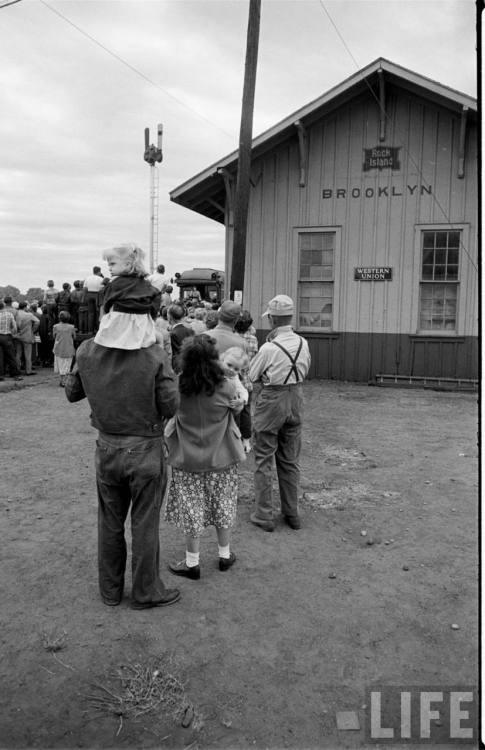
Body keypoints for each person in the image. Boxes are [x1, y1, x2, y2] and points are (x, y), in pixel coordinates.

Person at [65, 243, 180, 610]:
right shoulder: (153, 356)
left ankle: (110, 590)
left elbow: (72, 394)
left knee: (109, 522)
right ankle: (146, 591)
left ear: (108, 311)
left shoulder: (86, 352)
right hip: (145, 449)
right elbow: (171, 405)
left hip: (107, 449)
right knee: (144, 525)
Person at [164, 335, 246, 579]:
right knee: (223, 504)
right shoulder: (227, 386)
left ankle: (192, 563)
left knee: (191, 509)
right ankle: (224, 555)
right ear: (213, 359)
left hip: (186, 458)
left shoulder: (177, 387)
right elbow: (239, 402)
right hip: (222, 457)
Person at [249, 295, 311, 533]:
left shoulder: (269, 347)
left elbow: (253, 376)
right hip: (296, 397)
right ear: (291, 317)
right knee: (290, 459)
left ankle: (264, 514)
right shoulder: (303, 343)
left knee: (264, 457)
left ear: (273, 318)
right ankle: (291, 512)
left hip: (272, 399)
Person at [234, 310, 259, 454]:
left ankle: (235, 441)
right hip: (247, 380)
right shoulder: (253, 339)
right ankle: (246, 441)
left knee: (234, 413)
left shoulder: (232, 337)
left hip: (234, 380)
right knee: (246, 412)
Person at [14, 301, 39, 376]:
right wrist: (33, 330)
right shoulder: (29, 315)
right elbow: (37, 321)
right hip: (27, 336)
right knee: (28, 355)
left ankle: (17, 369)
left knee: (18, 354)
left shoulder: (16, 314)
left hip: (18, 336)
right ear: (25, 307)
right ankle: (28, 370)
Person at [0, 301, 22, 381]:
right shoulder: (9, 314)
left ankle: (1, 375)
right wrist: (13, 333)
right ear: (4, 306)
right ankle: (15, 374)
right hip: (7, 336)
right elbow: (15, 327)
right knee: (11, 356)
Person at [52, 311, 76, 386]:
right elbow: (74, 337)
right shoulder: (72, 327)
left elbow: (54, 336)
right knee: (67, 365)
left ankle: (62, 380)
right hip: (68, 347)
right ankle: (65, 381)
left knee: (60, 364)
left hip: (59, 348)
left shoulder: (55, 327)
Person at [167, 303, 193, 373]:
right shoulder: (190, 331)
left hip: (179, 368)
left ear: (170, 317)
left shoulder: (172, 334)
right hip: (191, 365)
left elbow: (175, 354)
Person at [83, 266, 105, 334]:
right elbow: (103, 289)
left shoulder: (87, 278)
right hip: (97, 295)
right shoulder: (101, 279)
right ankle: (97, 329)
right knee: (98, 313)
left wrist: (85, 297)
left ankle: (90, 331)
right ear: (99, 271)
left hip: (89, 295)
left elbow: (85, 289)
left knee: (90, 313)